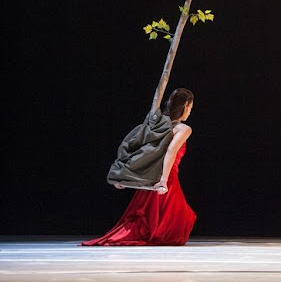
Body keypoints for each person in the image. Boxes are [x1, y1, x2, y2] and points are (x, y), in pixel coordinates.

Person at [81, 88, 196, 246]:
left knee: (154, 213)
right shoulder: (183, 129)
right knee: (178, 220)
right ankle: (153, 235)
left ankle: (151, 234)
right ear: (185, 105)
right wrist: (163, 180)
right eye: (190, 107)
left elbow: (142, 149)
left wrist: (123, 175)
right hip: (166, 176)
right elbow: (170, 151)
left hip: (151, 175)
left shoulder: (158, 126)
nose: (190, 111)